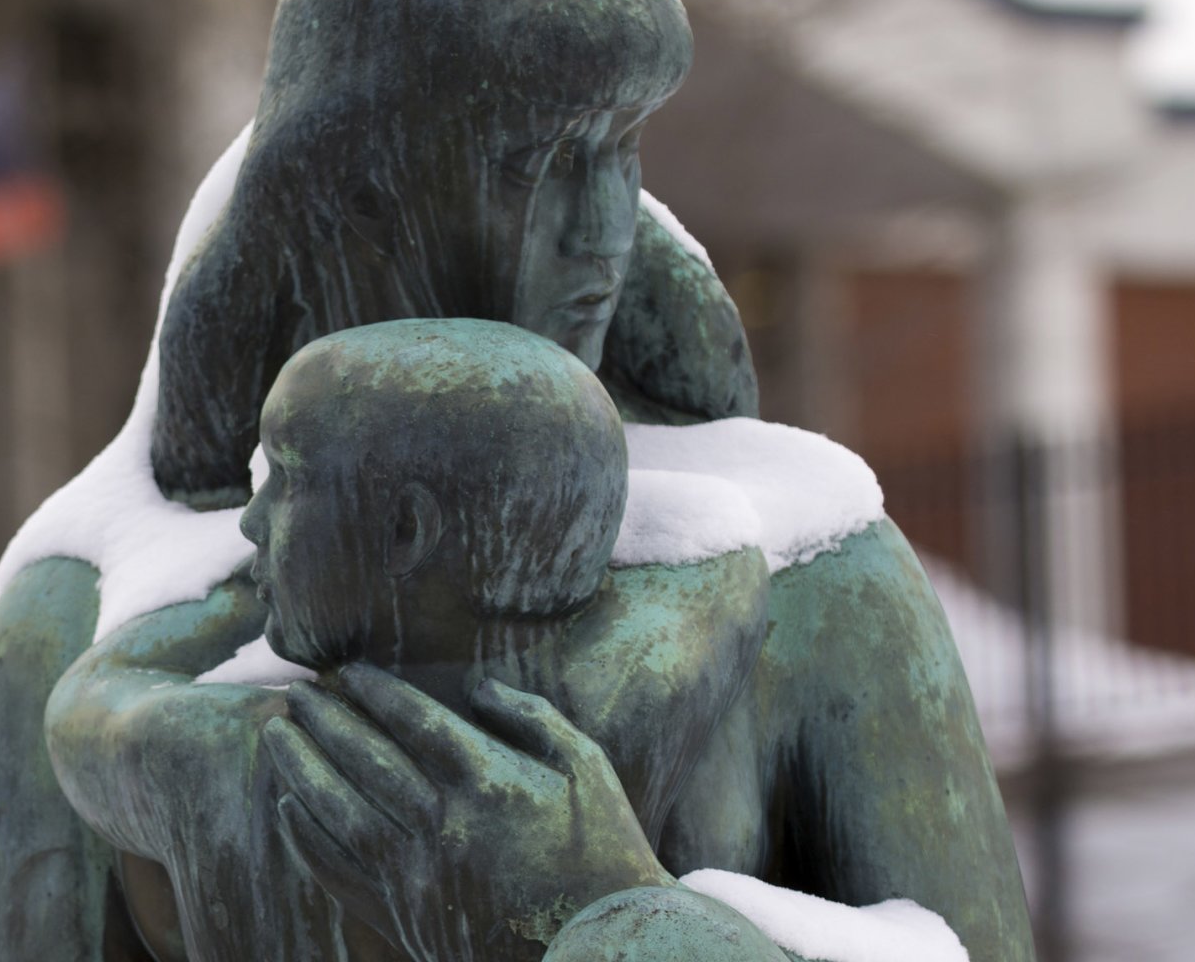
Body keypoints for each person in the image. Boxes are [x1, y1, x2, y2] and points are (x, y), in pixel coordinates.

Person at [0, 0, 1028, 962]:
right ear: (355, 185)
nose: (600, 227)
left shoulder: (816, 574)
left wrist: (606, 911)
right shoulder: (74, 622)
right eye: (538, 159)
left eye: (619, 151)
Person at [48, 318, 785, 959]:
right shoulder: (630, 719)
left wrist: (245, 594)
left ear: (405, 531)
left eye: (284, 480)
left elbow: (88, 703)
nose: (250, 520)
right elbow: (722, 569)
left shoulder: (238, 756)